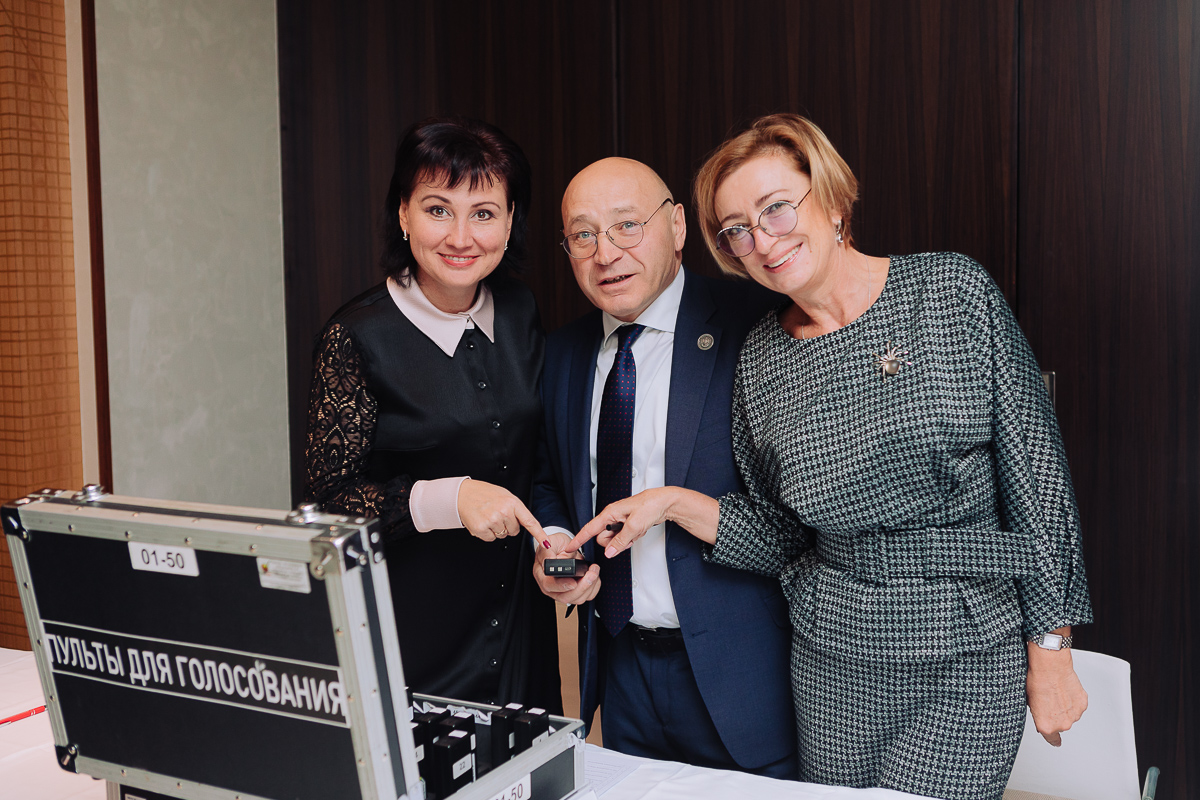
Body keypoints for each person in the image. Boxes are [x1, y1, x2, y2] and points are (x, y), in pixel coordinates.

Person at [571, 114, 1092, 800]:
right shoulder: (761, 358)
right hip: (831, 664)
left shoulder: (950, 293)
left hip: (966, 652)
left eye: (776, 208)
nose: (763, 240)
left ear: (832, 199)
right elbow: (782, 536)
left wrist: (1051, 648)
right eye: (737, 229)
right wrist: (669, 503)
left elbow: (1039, 482)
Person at [530, 157, 797, 777]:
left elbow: (801, 508)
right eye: (583, 235)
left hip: (743, 673)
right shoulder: (563, 353)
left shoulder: (758, 320)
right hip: (621, 668)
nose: (606, 254)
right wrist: (558, 547)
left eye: (628, 225)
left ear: (677, 226)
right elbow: (550, 480)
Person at [304, 117, 560, 712]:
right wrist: (450, 498)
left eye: (484, 213)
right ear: (403, 213)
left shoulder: (519, 309)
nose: (461, 237)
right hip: (412, 632)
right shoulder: (356, 336)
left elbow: (539, 452)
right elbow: (327, 505)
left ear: (511, 220)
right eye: (438, 210)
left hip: (518, 626)